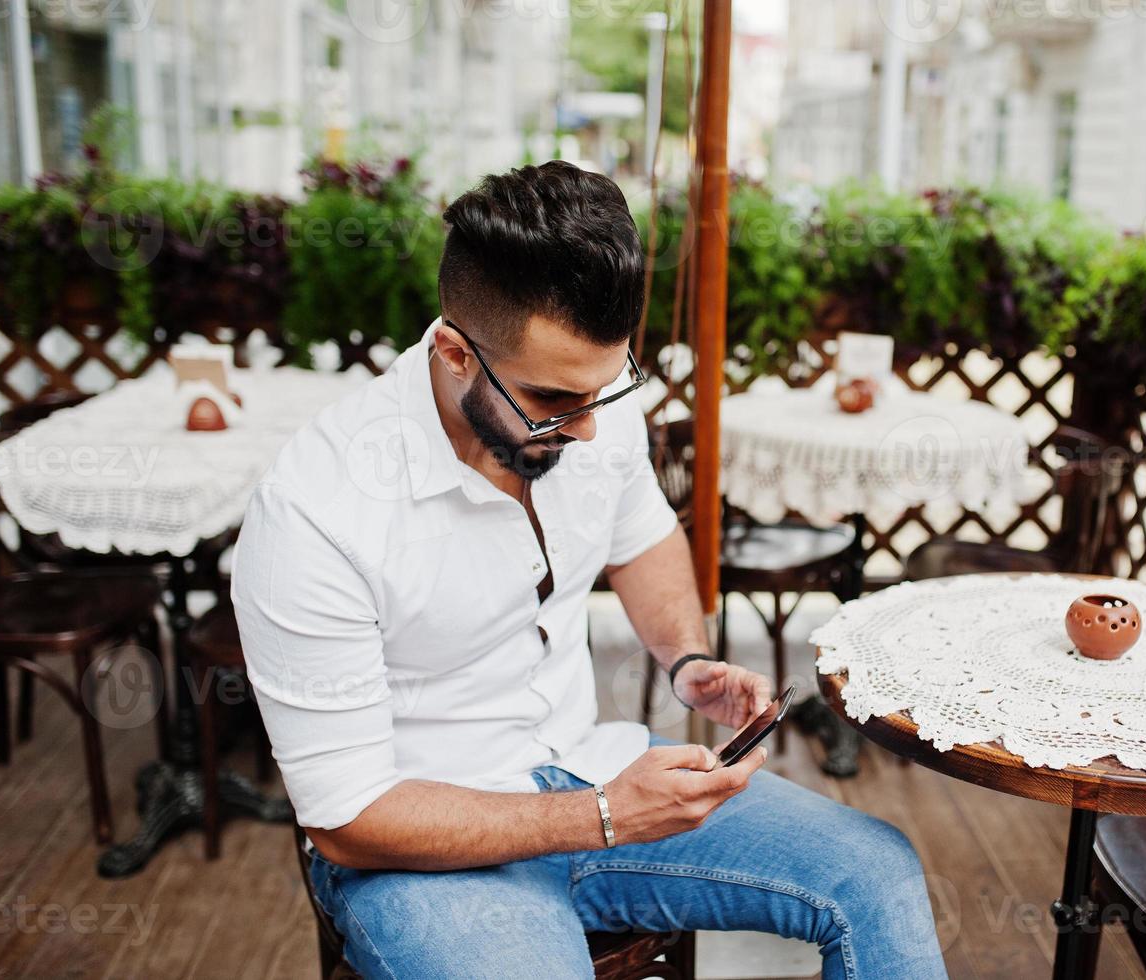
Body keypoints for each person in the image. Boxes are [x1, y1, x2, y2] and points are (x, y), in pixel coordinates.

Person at [231, 160, 948, 979]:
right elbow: (346, 819)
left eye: (604, 392)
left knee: (876, 872)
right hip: (421, 842)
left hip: (591, 761)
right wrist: (603, 817)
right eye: (551, 404)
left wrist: (686, 658)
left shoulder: (588, 393)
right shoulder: (316, 510)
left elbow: (640, 537)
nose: (588, 435)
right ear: (454, 353)